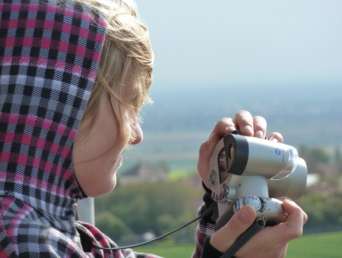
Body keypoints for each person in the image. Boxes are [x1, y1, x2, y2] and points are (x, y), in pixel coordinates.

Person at [0, 0, 307, 257]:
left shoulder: (55, 231)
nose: (136, 135)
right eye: (128, 107)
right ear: (64, 106)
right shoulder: (21, 239)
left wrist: (224, 202)